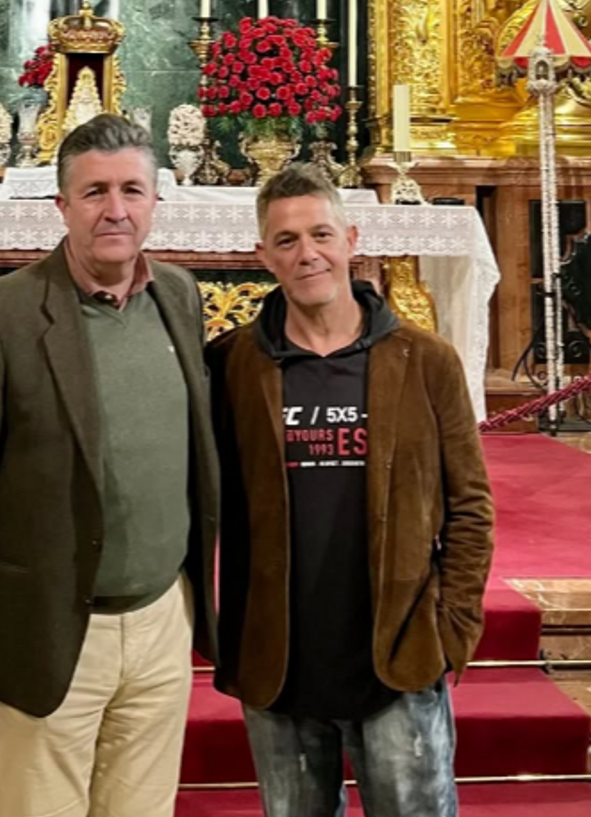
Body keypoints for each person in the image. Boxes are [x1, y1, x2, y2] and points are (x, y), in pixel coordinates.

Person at [0, 113, 218, 817]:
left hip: (160, 620)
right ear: (61, 204)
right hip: (53, 623)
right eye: (95, 192)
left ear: (155, 199)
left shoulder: (180, 296)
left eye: (132, 190)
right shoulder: (2, 313)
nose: (116, 210)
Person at [207, 164, 494, 817]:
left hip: (395, 653)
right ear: (263, 254)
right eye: (286, 240)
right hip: (280, 660)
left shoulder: (424, 360)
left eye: (320, 233)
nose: (306, 253)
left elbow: (471, 504)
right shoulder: (232, 364)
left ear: (350, 238)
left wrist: (454, 627)